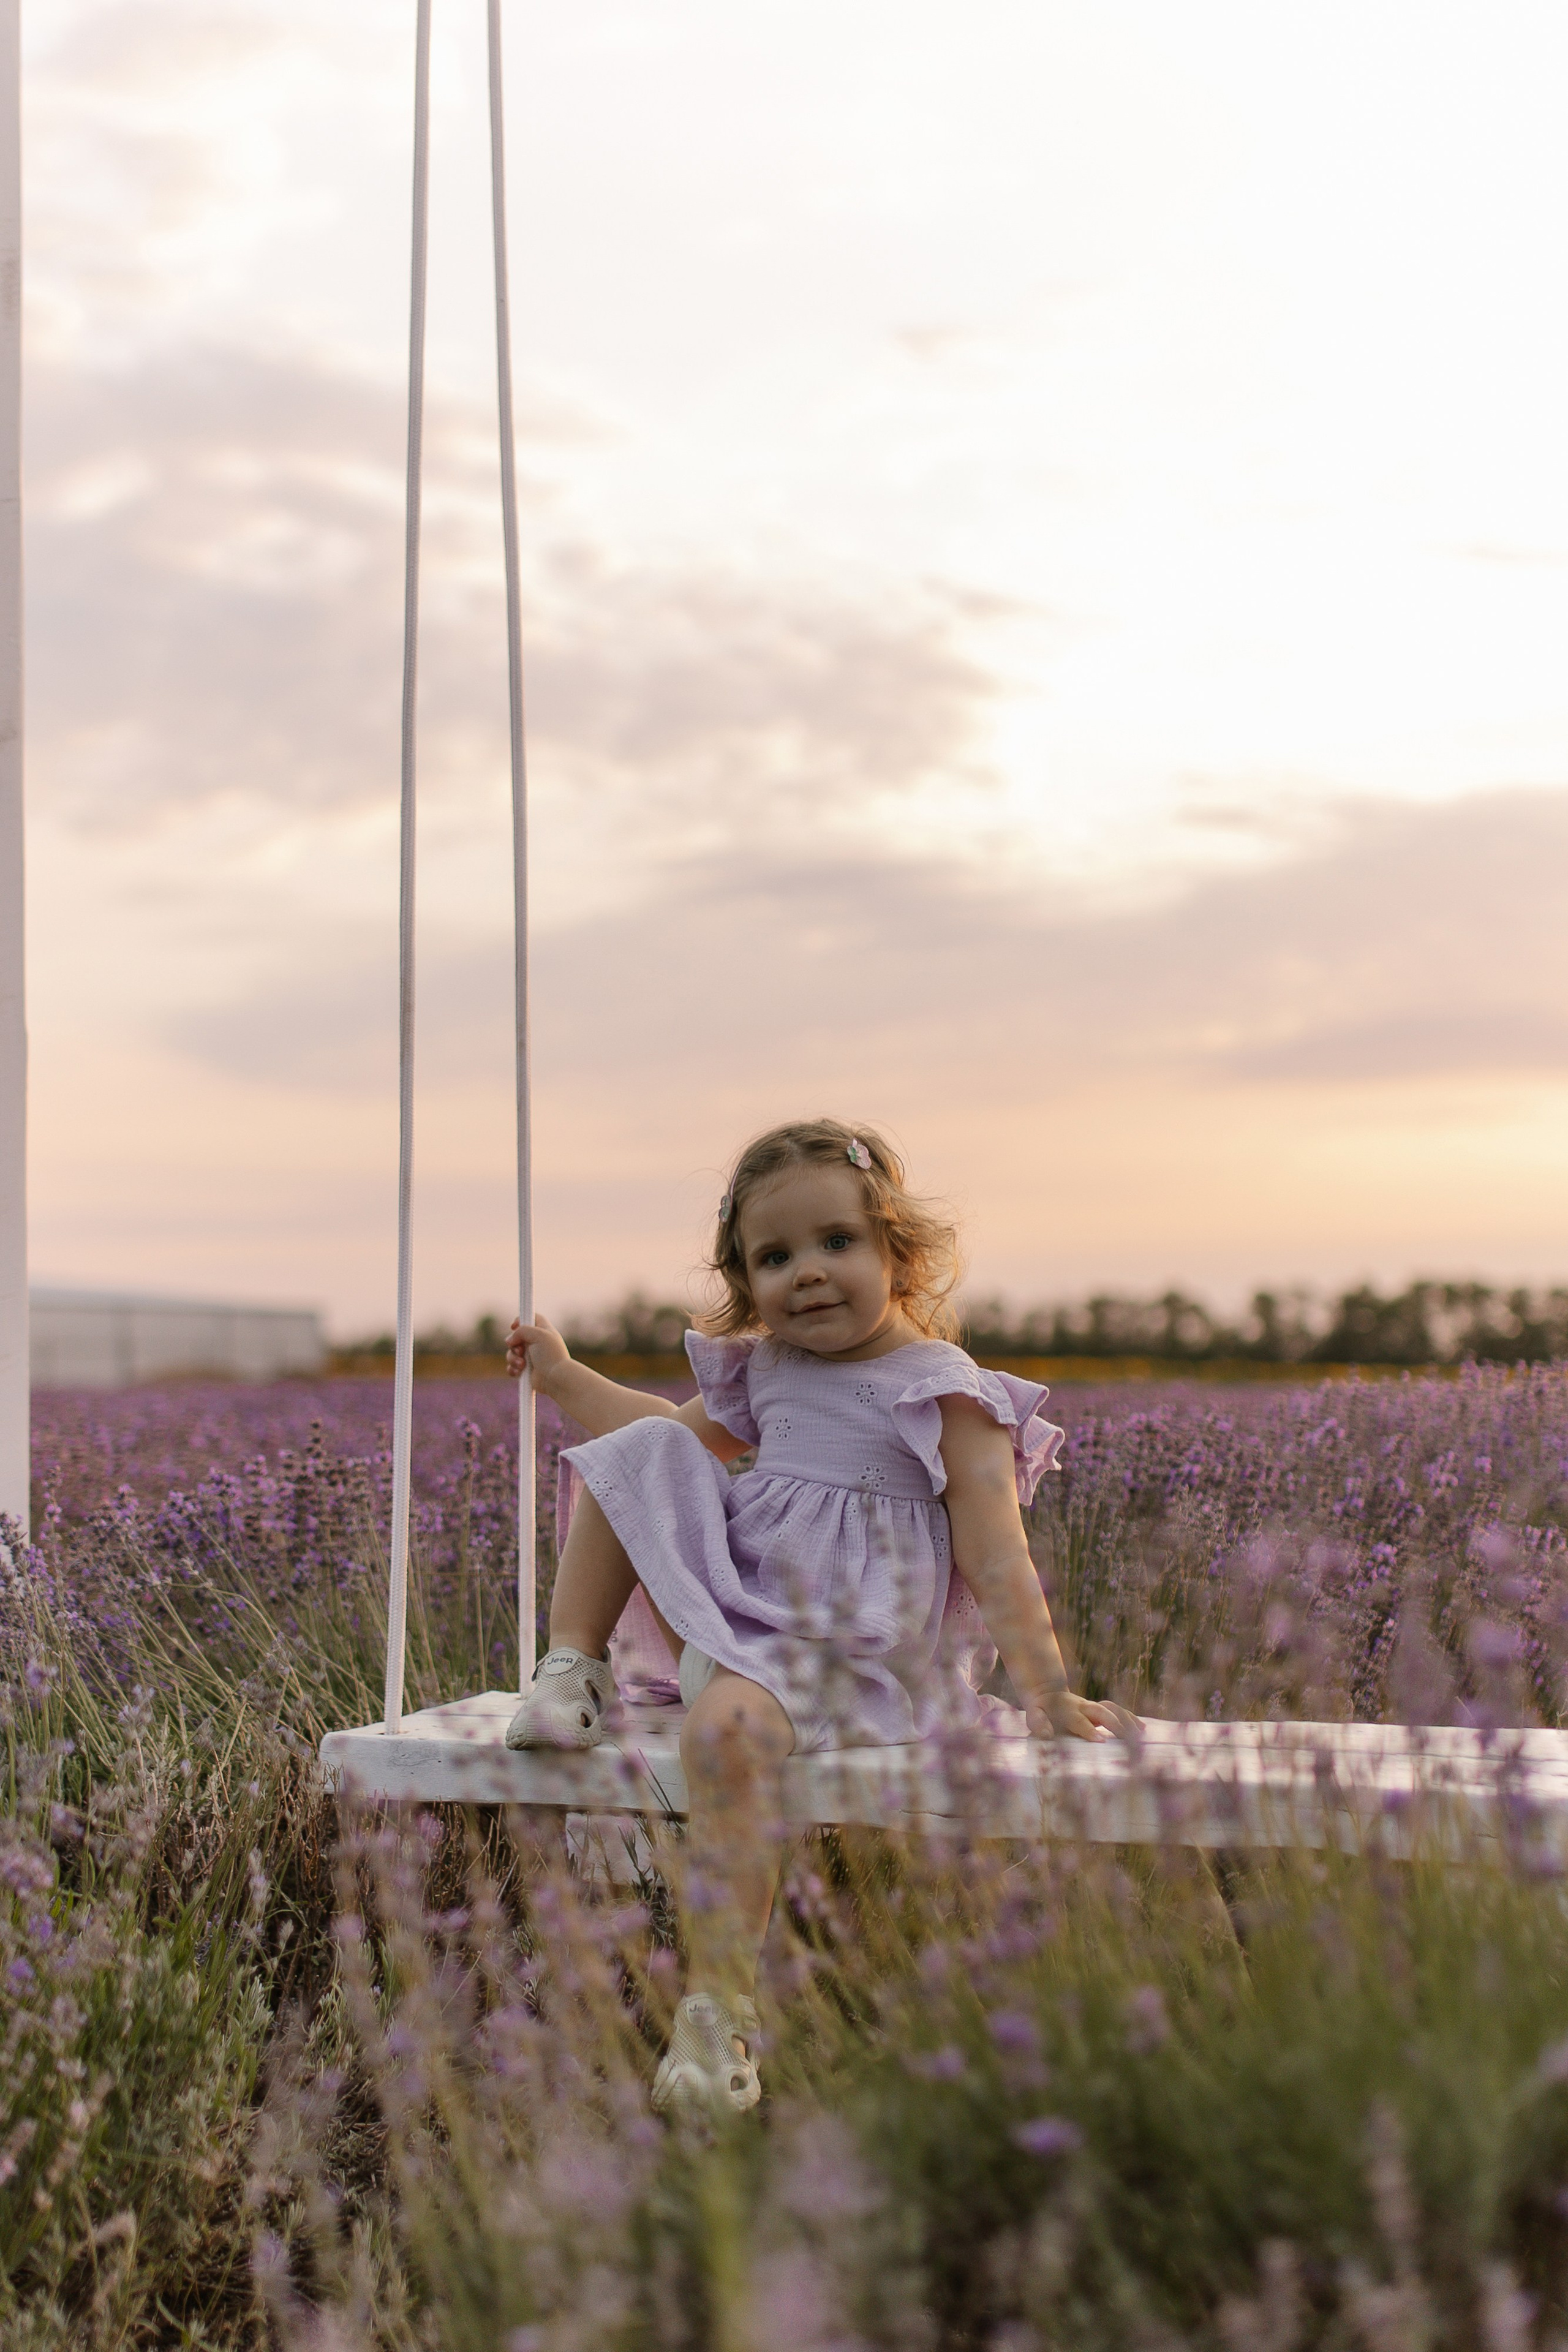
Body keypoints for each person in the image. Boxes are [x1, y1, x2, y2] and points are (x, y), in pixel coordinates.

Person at [503, 1118, 1127, 2118]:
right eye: (775, 1257)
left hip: (855, 1658)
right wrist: (566, 1378)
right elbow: (668, 1437)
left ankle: (717, 2014)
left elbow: (994, 1544)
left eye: (836, 1243)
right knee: (646, 1459)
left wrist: (1046, 1687)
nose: (808, 1274)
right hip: (742, 1620)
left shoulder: (944, 1391)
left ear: (900, 1253)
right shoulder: (771, 1371)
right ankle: (572, 1667)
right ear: (746, 1284)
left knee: (727, 1738)